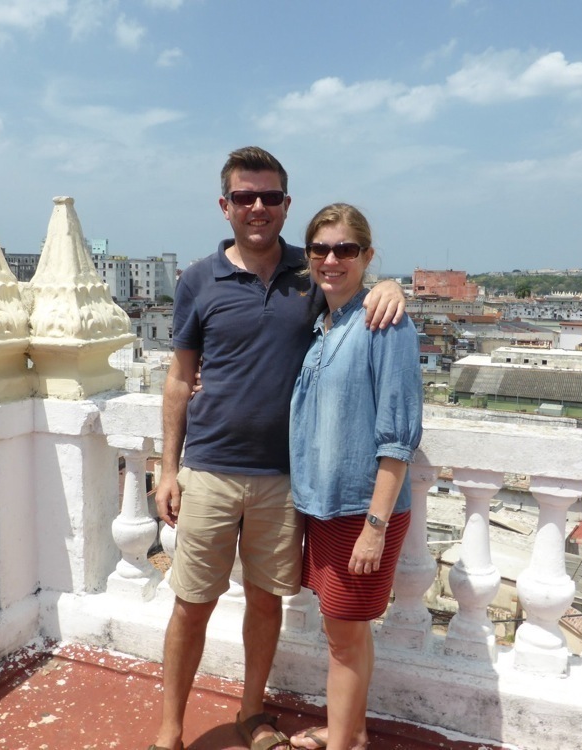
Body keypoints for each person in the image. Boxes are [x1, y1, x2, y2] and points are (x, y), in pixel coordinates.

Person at [149, 149, 406, 750]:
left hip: (285, 477)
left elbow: (353, 295)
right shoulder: (198, 280)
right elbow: (180, 378)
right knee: (191, 605)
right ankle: (169, 729)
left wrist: (393, 286)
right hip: (210, 469)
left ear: (287, 204)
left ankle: (251, 712)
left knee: (266, 604)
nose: (257, 207)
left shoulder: (309, 272)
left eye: (269, 197)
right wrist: (168, 467)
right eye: (245, 197)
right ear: (225, 206)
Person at [288, 204, 422, 750]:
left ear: (366, 255)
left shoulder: (385, 323)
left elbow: (398, 437)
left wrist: (374, 526)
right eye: (320, 249)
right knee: (347, 631)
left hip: (360, 510)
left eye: (345, 249)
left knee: (342, 639)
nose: (331, 259)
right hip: (323, 505)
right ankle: (354, 731)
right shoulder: (324, 323)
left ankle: (341, 741)